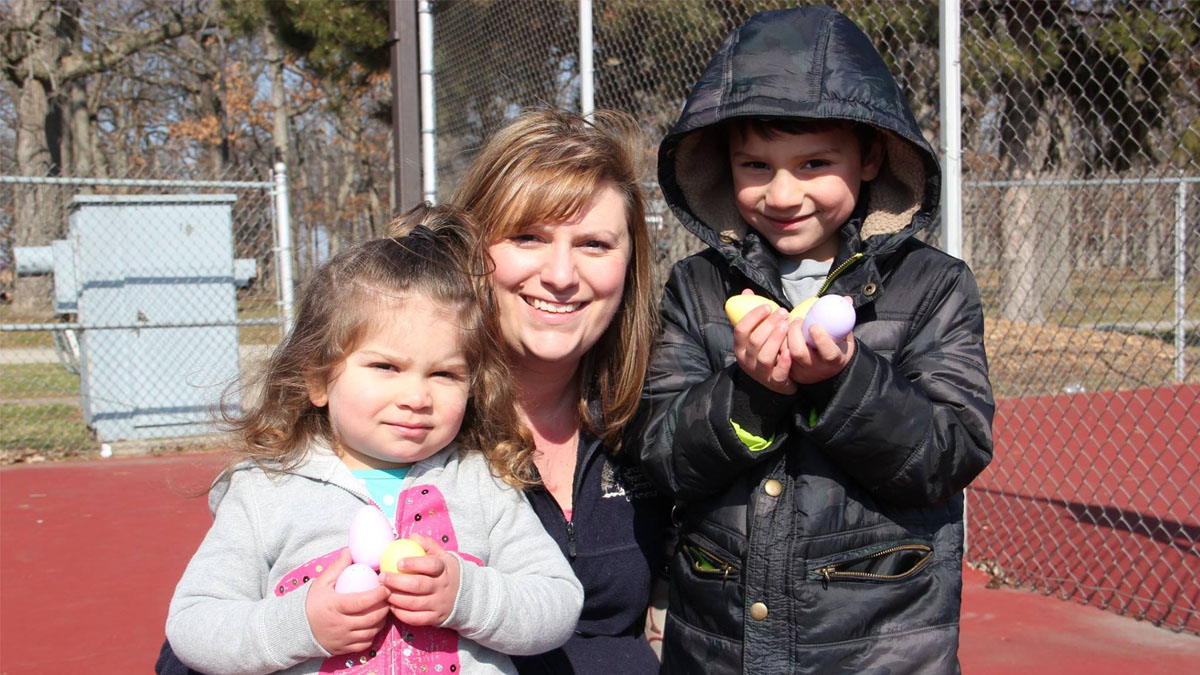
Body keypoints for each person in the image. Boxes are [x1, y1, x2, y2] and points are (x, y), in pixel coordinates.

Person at [639, 5, 995, 674]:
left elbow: (949, 453)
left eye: (813, 163)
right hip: (723, 645)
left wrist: (843, 380)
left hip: (879, 645)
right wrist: (750, 392)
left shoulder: (932, 287)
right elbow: (662, 454)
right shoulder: (696, 287)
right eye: (755, 165)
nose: (782, 192)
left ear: (869, 158)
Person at [164, 206, 583, 675]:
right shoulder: (265, 490)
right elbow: (195, 622)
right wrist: (299, 625)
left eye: (445, 374)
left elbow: (557, 602)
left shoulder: (481, 482)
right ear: (319, 380)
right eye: (387, 367)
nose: (417, 397)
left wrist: (465, 595)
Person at [447, 108, 671, 675]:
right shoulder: (403, 419)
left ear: (630, 265)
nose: (562, 275)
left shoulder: (661, 416)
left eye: (594, 244)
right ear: (473, 249)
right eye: (529, 237)